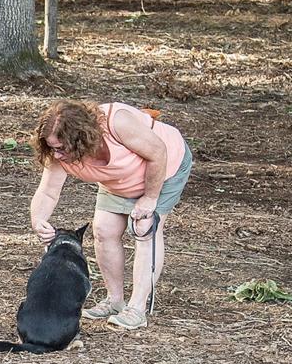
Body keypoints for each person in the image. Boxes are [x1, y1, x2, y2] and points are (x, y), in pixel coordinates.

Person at [28, 100, 194, 331]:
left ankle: (137, 308)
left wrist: (149, 199)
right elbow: (48, 191)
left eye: (61, 148)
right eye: (52, 148)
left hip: (164, 168)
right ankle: (114, 301)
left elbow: (158, 153)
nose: (57, 154)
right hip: (119, 180)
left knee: (145, 228)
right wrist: (39, 221)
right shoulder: (58, 155)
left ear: (81, 139)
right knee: (104, 230)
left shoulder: (117, 122)